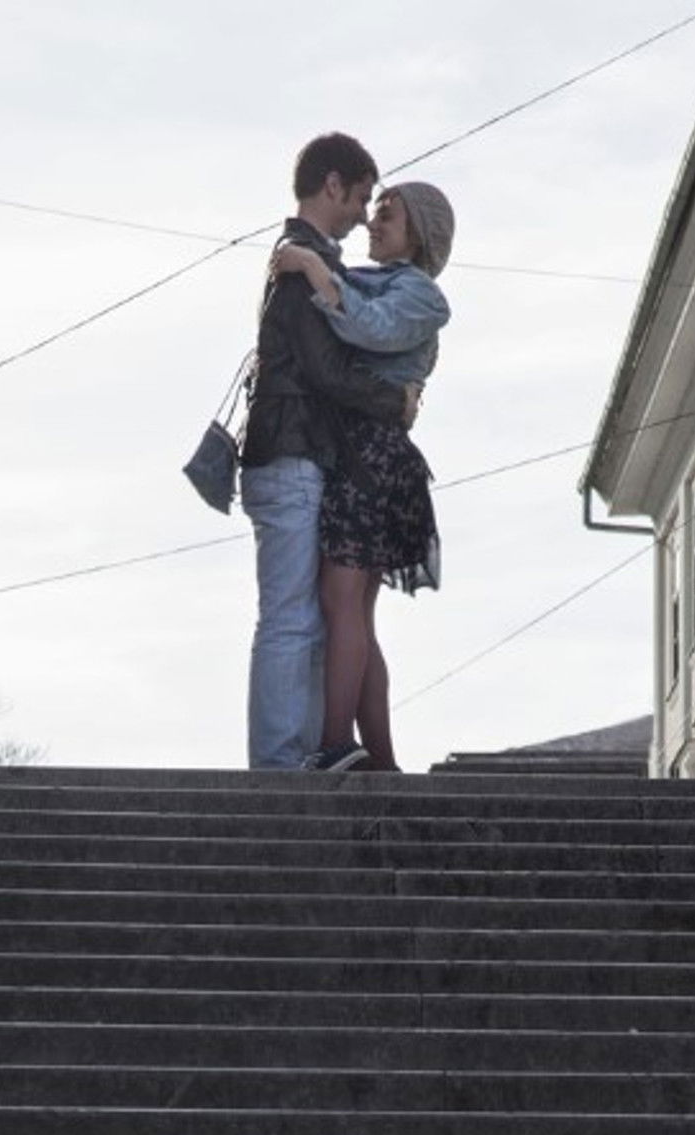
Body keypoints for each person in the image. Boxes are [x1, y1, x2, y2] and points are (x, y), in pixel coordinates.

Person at [240, 133, 420, 771]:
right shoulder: (303, 258)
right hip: (288, 455)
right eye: (362, 196)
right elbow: (322, 369)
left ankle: (300, 754)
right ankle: (280, 764)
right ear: (334, 185)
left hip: (298, 454)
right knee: (290, 618)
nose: (363, 213)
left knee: (306, 619)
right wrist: (392, 401)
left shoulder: (311, 258)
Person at [272, 180, 455, 772]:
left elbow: (369, 328)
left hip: (373, 458)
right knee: (355, 611)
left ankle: (334, 744)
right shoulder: (363, 276)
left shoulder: (423, 296)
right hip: (359, 452)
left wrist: (308, 265)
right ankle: (378, 758)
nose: (374, 223)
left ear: (419, 234)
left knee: (342, 600)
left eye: (388, 215)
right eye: (374, 212)